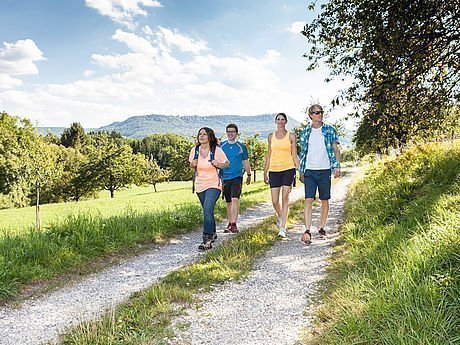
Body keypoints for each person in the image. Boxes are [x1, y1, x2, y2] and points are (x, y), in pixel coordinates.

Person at [299, 104, 341, 244]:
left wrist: (337, 166)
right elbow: (303, 153)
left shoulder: (329, 130)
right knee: (309, 200)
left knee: (325, 200)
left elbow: (335, 149)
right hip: (310, 170)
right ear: (310, 115)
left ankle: (322, 228)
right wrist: (301, 170)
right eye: (316, 112)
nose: (319, 114)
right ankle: (307, 230)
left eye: (321, 112)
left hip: (325, 170)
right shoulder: (305, 133)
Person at [189, 127, 229, 251]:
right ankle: (213, 233)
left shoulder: (216, 150)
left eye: (204, 134)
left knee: (207, 209)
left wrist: (219, 164)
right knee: (208, 210)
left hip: (214, 184)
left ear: (210, 136)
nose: (201, 136)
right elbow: (191, 165)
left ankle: (206, 239)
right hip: (200, 184)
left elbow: (227, 164)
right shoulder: (195, 150)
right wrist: (193, 164)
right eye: (199, 134)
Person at [263, 113, 300, 238]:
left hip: (288, 169)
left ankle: (282, 228)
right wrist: (265, 171)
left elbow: (294, 155)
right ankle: (281, 216)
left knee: (285, 197)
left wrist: (300, 170)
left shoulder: (291, 136)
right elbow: (269, 155)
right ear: (275, 121)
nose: (280, 121)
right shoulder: (270, 137)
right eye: (278, 119)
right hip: (274, 170)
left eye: (282, 119)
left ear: (286, 121)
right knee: (274, 201)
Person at [220, 124, 252, 234]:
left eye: (232, 131)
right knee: (228, 201)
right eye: (228, 131)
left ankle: (234, 224)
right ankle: (230, 223)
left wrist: (248, 174)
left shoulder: (241, 147)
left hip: (237, 176)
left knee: (235, 199)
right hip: (225, 177)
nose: (230, 133)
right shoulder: (221, 145)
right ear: (226, 132)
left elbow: (245, 161)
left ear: (236, 133)